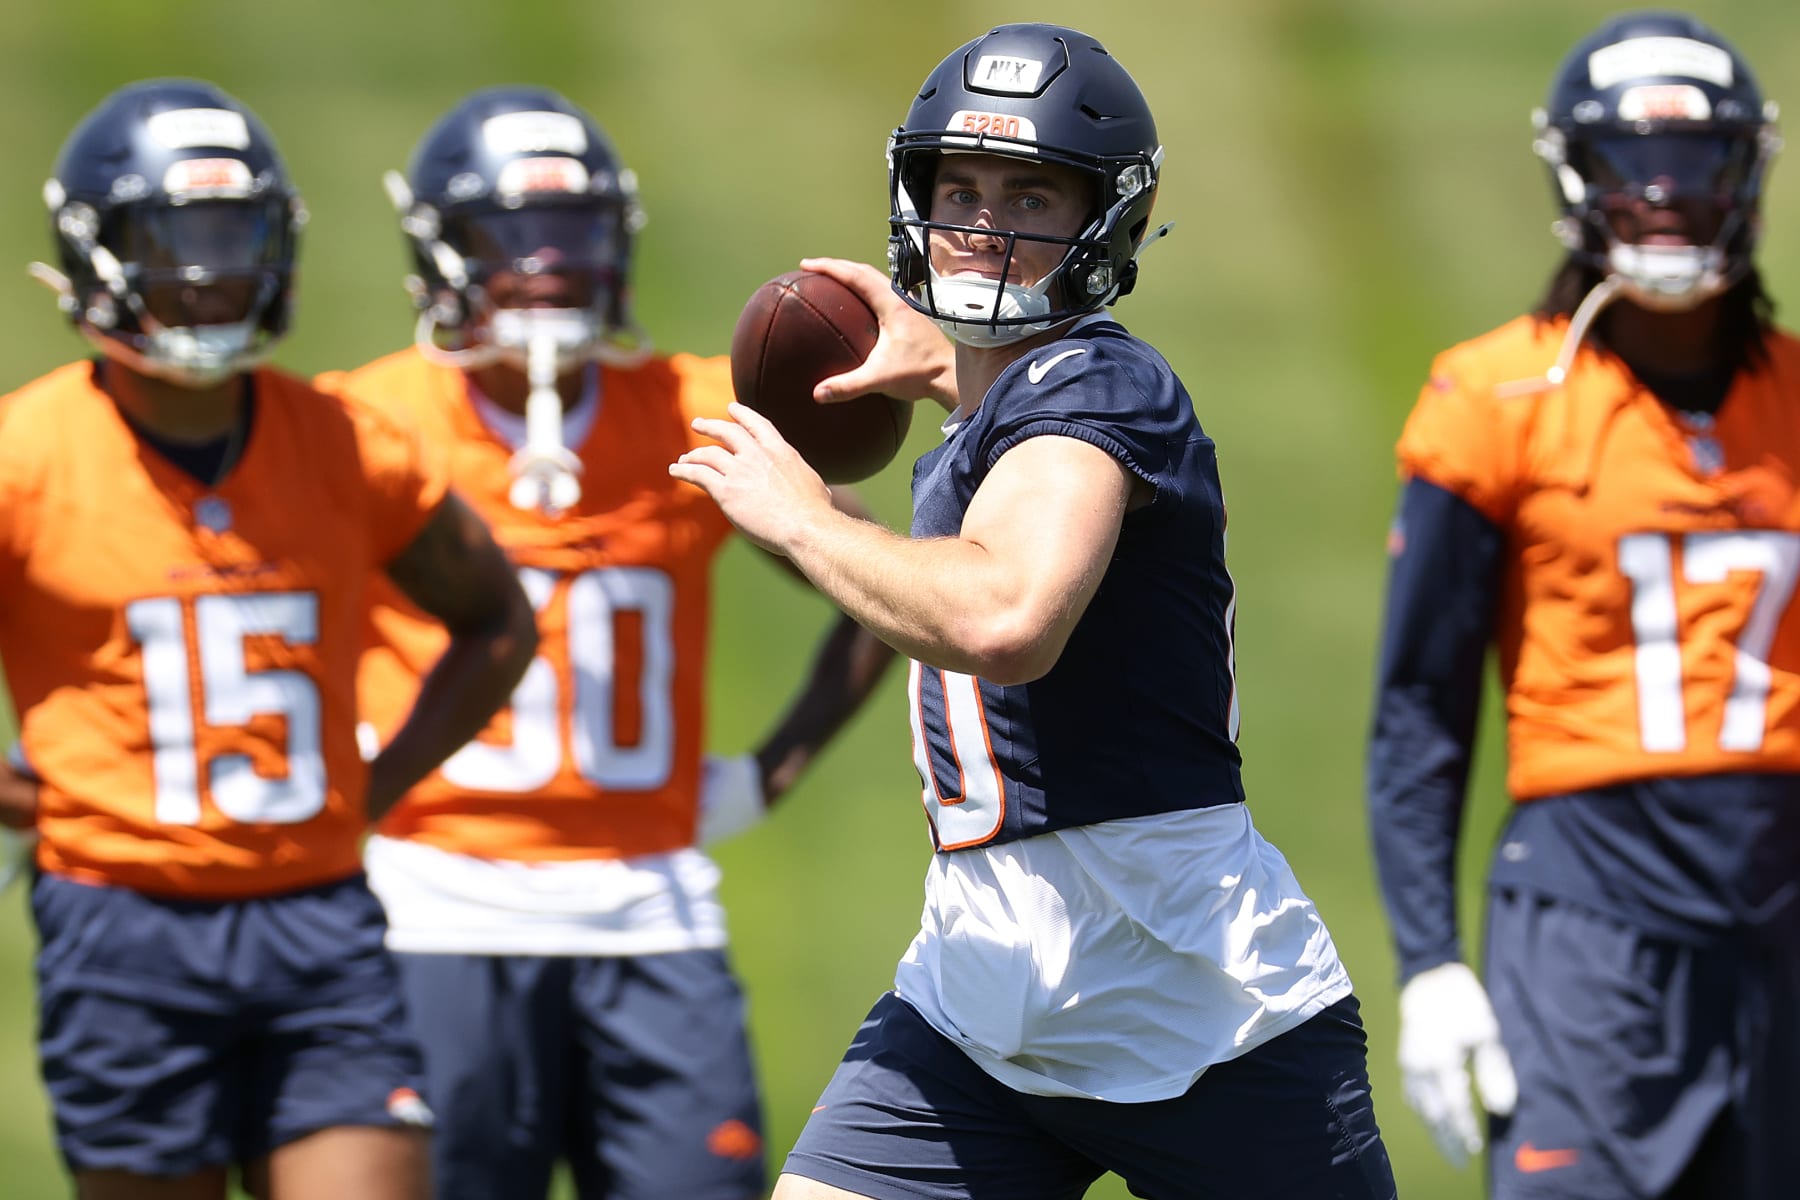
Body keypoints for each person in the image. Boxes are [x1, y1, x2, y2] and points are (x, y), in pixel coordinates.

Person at [671, 23, 1397, 1200]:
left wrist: (803, 518)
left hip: (1193, 1006)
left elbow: (1006, 617)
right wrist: (947, 368)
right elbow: (1002, 439)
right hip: (978, 1006)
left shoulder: (1108, 385)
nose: (985, 227)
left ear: (1106, 220)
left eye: (1030, 196)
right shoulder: (1000, 400)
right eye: (959, 190)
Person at [319, 86, 951, 1200]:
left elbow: (880, 584)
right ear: (441, 248)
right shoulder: (361, 423)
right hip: (433, 899)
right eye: (512, 236)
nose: (547, 267)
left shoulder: (689, 408)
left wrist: (771, 771)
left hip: (650, 904)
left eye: (571, 233)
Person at [0, 79, 538, 1200]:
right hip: (122, 923)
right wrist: (29, 796)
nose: (205, 273)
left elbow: (497, 621)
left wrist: (375, 785)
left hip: (318, 919)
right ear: (97, 250)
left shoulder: (344, 443)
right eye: (171, 241)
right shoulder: (27, 454)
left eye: (231, 236)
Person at [1368, 11, 1800, 1199]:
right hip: (1592, 916)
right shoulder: (1496, 397)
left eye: (1697, 162)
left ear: (1747, 174)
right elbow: (1420, 702)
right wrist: (1429, 961)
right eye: (1631, 162)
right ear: (1576, 175)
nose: (1664, 195)